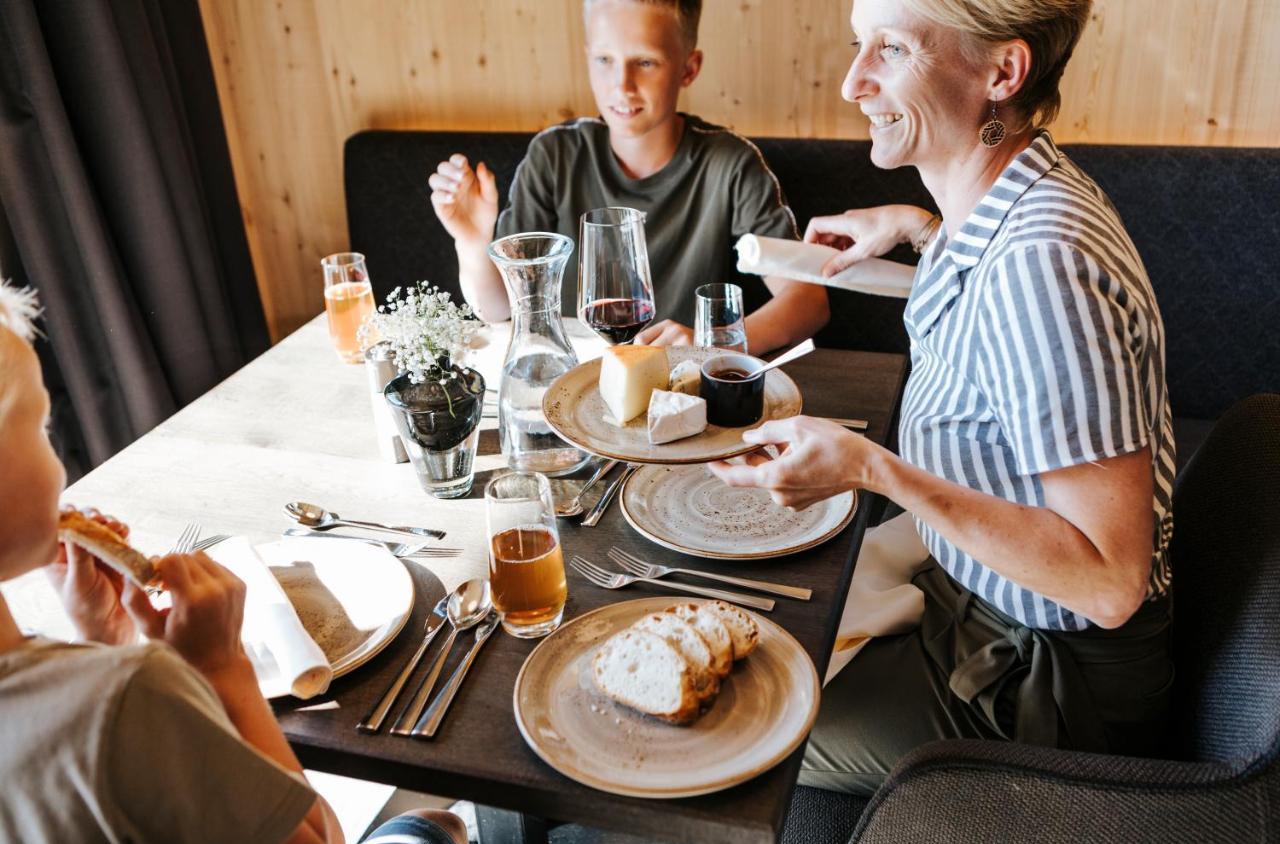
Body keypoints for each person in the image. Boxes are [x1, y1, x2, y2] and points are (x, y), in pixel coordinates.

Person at [710, 0, 1176, 796]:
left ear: (1002, 72)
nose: (854, 81)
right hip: (973, 598)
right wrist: (925, 231)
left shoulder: (1042, 264)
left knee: (731, 728)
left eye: (891, 49)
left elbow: (1108, 581)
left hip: (1048, 687)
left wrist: (874, 470)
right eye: (860, 44)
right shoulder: (1006, 202)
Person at [0, 284, 470, 844]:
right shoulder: (127, 698)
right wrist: (223, 671)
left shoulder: (97, 692)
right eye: (38, 427)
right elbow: (322, 841)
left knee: (424, 825)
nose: (54, 461)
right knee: (437, 829)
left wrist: (108, 638)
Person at [427, 0, 830, 355]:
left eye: (646, 62)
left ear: (688, 69)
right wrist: (471, 242)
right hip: (574, 386)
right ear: (587, 57)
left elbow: (808, 300)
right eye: (605, 60)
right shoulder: (554, 155)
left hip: (679, 390)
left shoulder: (730, 164)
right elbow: (499, 309)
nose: (622, 86)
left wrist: (710, 343)